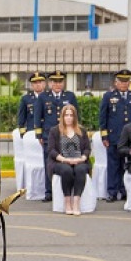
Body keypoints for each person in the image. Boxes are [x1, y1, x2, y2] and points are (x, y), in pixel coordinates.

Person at [34, 70, 78, 202]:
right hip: (49, 136)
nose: (57, 84)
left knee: (68, 162)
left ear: (63, 83)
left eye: (60, 81)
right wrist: (39, 135)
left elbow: (76, 116)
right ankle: (49, 192)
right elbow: (38, 116)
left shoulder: (70, 96)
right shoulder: (43, 97)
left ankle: (67, 189)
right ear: (50, 83)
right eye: (55, 82)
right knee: (49, 163)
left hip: (67, 136)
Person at [99, 69, 131, 202]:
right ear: (116, 82)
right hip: (114, 136)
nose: (124, 84)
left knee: (128, 164)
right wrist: (104, 136)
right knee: (113, 165)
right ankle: (112, 191)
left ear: (129, 82)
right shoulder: (108, 96)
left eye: (126, 81)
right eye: (121, 81)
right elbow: (103, 117)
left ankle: (124, 191)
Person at [47, 104, 91, 216]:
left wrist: (82, 158)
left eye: (71, 115)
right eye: (66, 115)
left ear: (75, 117)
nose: (69, 117)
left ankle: (76, 202)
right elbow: (51, 150)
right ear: (62, 116)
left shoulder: (82, 131)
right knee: (66, 170)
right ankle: (67, 202)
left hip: (79, 160)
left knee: (81, 170)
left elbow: (87, 148)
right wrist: (64, 159)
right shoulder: (55, 131)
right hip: (60, 161)